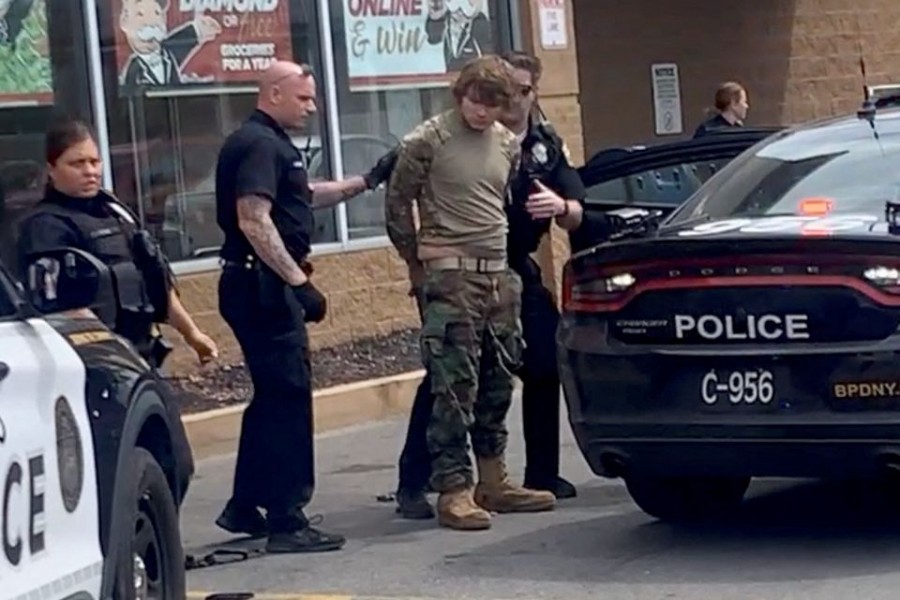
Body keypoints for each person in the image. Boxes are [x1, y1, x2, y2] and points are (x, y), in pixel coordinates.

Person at [392, 51, 586, 520]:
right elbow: (398, 206)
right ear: (461, 95)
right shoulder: (427, 140)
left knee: (498, 382)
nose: (481, 111)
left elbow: (504, 205)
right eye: (475, 100)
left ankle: (493, 479)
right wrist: (419, 268)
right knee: (454, 385)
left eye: (492, 103)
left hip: (498, 274)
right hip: (450, 272)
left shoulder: (506, 145)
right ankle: (452, 487)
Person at [213, 60, 397, 553]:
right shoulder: (258, 143)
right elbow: (253, 219)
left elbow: (302, 197)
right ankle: (287, 521)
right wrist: (297, 282)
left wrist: (367, 180)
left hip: (256, 284)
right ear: (273, 93)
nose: (312, 107)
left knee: (273, 397)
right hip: (262, 287)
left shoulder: (268, 143)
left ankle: (245, 506)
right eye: (303, 98)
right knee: (289, 400)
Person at [16, 118, 218, 368]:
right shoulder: (45, 227)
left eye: (94, 161)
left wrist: (192, 334)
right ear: (51, 169)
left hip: (140, 355)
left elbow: (154, 276)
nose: (90, 171)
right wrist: (114, 354)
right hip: (91, 363)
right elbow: (57, 309)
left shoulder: (115, 212)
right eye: (77, 163)